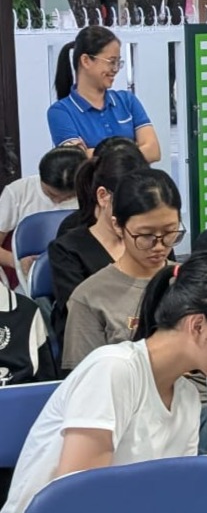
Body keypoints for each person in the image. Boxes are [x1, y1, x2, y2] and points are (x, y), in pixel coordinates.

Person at [0, 251, 207, 513]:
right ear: (198, 326)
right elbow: (78, 501)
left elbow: (185, 492)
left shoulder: (185, 396)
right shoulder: (113, 370)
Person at [62, 169, 183, 371]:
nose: (160, 246)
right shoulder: (89, 297)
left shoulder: (192, 281)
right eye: (145, 235)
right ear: (118, 226)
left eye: (170, 232)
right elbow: (84, 380)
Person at [48, 147, 149, 347]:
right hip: (95, 351)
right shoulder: (68, 249)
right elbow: (81, 319)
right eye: (128, 204)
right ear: (103, 196)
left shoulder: (152, 239)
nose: (137, 213)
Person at [47, 26, 161, 163]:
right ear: (86, 61)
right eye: (111, 62)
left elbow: (154, 151)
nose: (115, 69)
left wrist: (93, 153)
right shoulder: (61, 112)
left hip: (133, 185)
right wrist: (134, 149)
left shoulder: (127, 101)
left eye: (118, 62)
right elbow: (76, 160)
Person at [0, 146, 85, 281]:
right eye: (50, 194)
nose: (57, 201)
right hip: (27, 278)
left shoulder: (92, 195)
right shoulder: (18, 192)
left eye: (68, 198)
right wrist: (16, 262)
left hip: (77, 272)